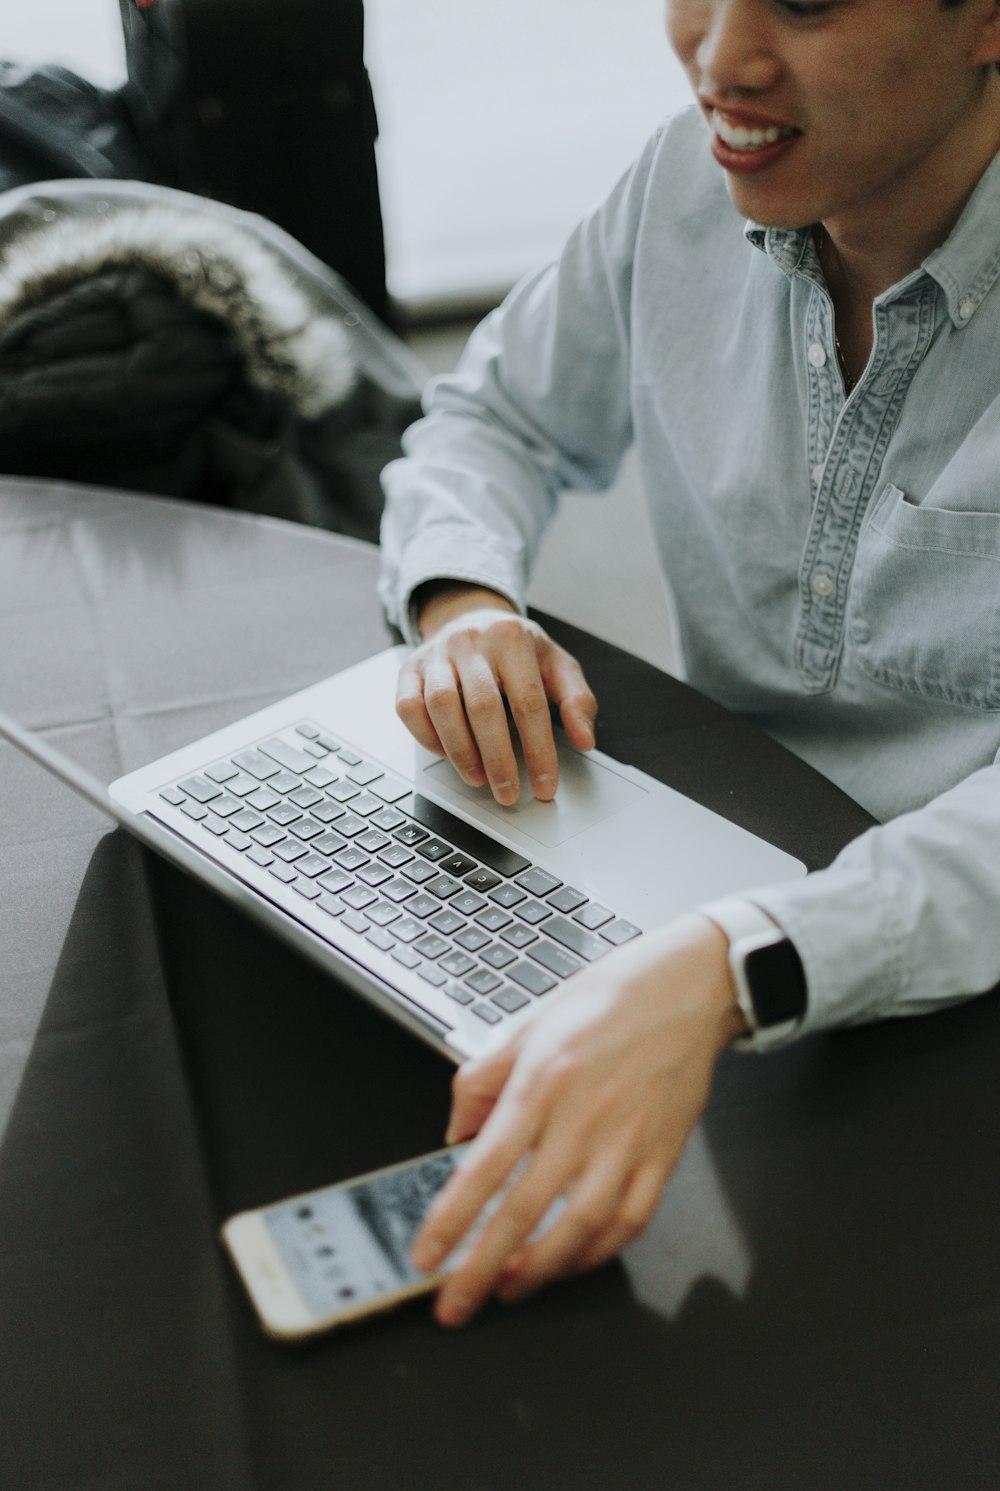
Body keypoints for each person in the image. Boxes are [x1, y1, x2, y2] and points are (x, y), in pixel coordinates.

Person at [377, 0, 1000, 1327]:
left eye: (808, 3)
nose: (721, 57)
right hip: (713, 887)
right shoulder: (681, 182)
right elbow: (492, 418)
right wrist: (465, 600)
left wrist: (732, 966)